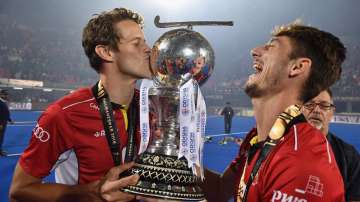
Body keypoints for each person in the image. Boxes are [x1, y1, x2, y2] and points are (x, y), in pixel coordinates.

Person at [9, 7, 154, 202]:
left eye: (144, 42)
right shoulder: (64, 114)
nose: (148, 49)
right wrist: (91, 193)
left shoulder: (153, 108)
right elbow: (19, 191)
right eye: (137, 43)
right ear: (106, 52)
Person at [201, 22, 347, 202]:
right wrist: (166, 156)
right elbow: (220, 189)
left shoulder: (301, 163)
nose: (254, 51)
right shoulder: (261, 137)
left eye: (271, 46)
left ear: (297, 67)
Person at [302, 89, 360, 201]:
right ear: (300, 109)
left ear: (331, 113)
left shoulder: (349, 156)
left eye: (324, 106)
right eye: (310, 105)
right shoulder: (278, 146)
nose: (317, 110)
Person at [0, 89, 13, 156]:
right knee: (0, 137)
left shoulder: (4, 102)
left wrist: (10, 120)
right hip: (1, 124)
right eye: (5, 94)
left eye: (7, 94)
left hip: (3, 123)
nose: (7, 96)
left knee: (1, 137)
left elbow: (5, 113)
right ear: (1, 95)